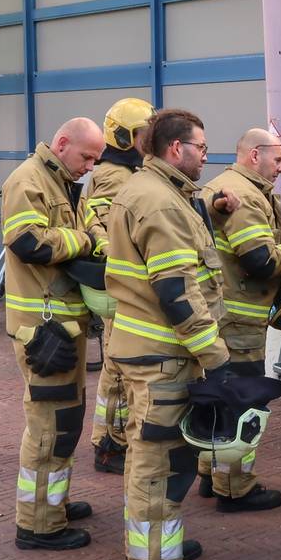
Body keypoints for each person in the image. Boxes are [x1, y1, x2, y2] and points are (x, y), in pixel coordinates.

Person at [104, 109, 230, 560]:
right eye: (200, 145)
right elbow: (177, 291)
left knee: (149, 458)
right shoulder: (160, 202)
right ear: (175, 149)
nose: (205, 154)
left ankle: (154, 549)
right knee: (160, 467)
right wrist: (215, 357)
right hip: (163, 357)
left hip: (149, 352)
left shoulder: (155, 191)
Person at [2, 118, 102, 551]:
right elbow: (27, 242)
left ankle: (52, 503)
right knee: (49, 427)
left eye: (96, 159)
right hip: (42, 332)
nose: (91, 166)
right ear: (62, 144)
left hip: (64, 327)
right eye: (86, 156)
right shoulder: (28, 180)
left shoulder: (60, 181)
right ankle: (39, 524)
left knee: (65, 422)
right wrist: (83, 241)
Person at [190, 128, 281, 512]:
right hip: (240, 322)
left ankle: (209, 471)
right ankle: (235, 488)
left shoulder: (227, 186)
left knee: (219, 396)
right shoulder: (247, 196)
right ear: (255, 155)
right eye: (278, 160)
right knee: (244, 404)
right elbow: (260, 261)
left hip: (222, 316)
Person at [84, 97, 155, 475]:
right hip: (122, 290)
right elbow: (100, 224)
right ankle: (109, 443)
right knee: (115, 371)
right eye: (145, 133)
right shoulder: (115, 174)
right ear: (126, 137)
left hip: (124, 288)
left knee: (118, 369)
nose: (150, 139)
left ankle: (112, 438)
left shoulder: (130, 171)